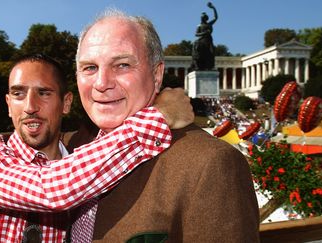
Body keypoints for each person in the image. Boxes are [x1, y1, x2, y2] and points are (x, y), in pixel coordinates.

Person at [0, 54, 193, 242]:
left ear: (66, 103)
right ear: (9, 105)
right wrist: (159, 116)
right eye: (18, 94)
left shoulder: (80, 155)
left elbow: (72, 166)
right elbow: (53, 188)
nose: (29, 106)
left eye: (44, 93)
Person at [71, 9, 259, 242]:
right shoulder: (71, 146)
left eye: (122, 65)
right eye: (89, 67)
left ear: (157, 74)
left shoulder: (212, 163)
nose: (101, 83)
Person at [191, 2, 218, 71]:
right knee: (197, 48)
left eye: (204, 18)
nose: (202, 19)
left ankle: (209, 66)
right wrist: (204, 33)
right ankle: (197, 65)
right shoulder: (199, 26)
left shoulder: (209, 24)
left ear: (206, 18)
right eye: (202, 18)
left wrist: (213, 8)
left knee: (211, 52)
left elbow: (216, 18)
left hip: (209, 40)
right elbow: (196, 34)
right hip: (202, 40)